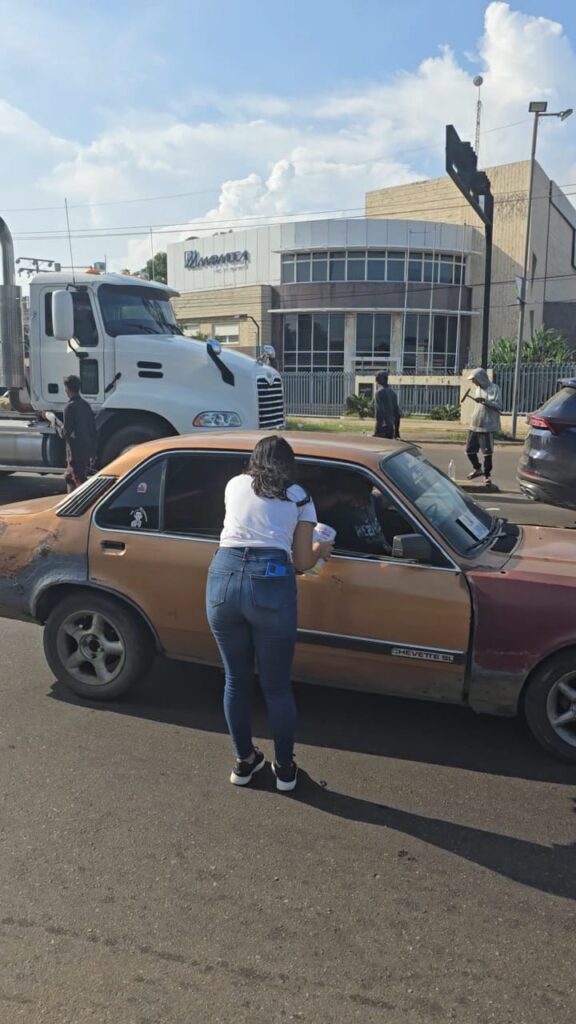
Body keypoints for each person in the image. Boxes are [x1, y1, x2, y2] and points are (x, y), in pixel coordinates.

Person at [205, 436, 333, 792]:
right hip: (270, 581)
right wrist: (321, 549)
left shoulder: (234, 484)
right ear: (288, 464)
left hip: (222, 578)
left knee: (235, 679)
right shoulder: (299, 496)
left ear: (254, 459)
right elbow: (302, 561)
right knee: (275, 686)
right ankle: (285, 771)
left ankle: (244, 762)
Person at [316, 472, 391, 556]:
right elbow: (316, 506)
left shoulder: (373, 500)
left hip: (385, 555)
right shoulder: (337, 513)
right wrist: (340, 496)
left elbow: (392, 493)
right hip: (361, 559)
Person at [465, 368, 502, 487]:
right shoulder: (477, 389)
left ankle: (487, 475)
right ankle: (477, 469)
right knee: (469, 450)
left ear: (480, 378)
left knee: (487, 453)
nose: (473, 382)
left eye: (474, 380)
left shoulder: (494, 388)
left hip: (487, 425)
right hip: (475, 423)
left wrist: (485, 401)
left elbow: (498, 405)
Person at [61, 375, 98, 492]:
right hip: (86, 450)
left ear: (67, 389)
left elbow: (66, 432)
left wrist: (58, 427)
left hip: (75, 452)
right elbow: (93, 429)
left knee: (76, 479)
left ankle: (85, 498)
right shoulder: (86, 405)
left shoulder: (69, 408)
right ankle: (72, 499)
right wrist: (93, 451)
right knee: (71, 477)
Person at [373, 371, 401, 439]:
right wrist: (396, 431)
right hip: (391, 430)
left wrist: (377, 430)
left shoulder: (379, 392)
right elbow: (397, 414)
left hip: (383, 429)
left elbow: (380, 413)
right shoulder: (393, 393)